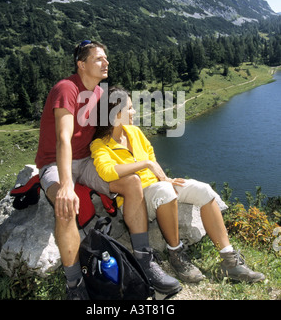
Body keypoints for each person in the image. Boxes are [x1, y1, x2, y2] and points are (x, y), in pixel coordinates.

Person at [35, 41, 181, 300]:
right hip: (57, 163)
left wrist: (149, 165)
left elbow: (120, 122)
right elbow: (63, 139)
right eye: (99, 59)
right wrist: (67, 185)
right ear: (81, 64)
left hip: (87, 160)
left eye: (106, 58)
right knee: (65, 203)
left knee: (132, 183)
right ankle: (74, 285)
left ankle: (144, 261)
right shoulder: (66, 88)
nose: (107, 63)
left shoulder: (100, 94)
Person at [90, 87, 266, 284]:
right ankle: (176, 254)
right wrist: (147, 166)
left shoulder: (134, 132)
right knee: (165, 192)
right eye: (130, 109)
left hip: (158, 186)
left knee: (204, 191)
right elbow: (107, 172)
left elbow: (151, 156)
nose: (134, 112)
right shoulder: (99, 145)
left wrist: (165, 178)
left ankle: (229, 260)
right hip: (137, 200)